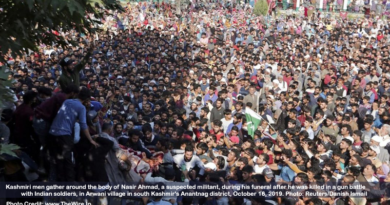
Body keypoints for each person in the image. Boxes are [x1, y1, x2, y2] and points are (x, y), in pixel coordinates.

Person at [48, 87, 98, 182]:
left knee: (57, 161)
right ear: (87, 99)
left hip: (52, 133)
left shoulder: (67, 101)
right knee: (68, 162)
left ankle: (59, 182)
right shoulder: (81, 107)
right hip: (64, 135)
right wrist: (91, 140)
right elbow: (83, 125)